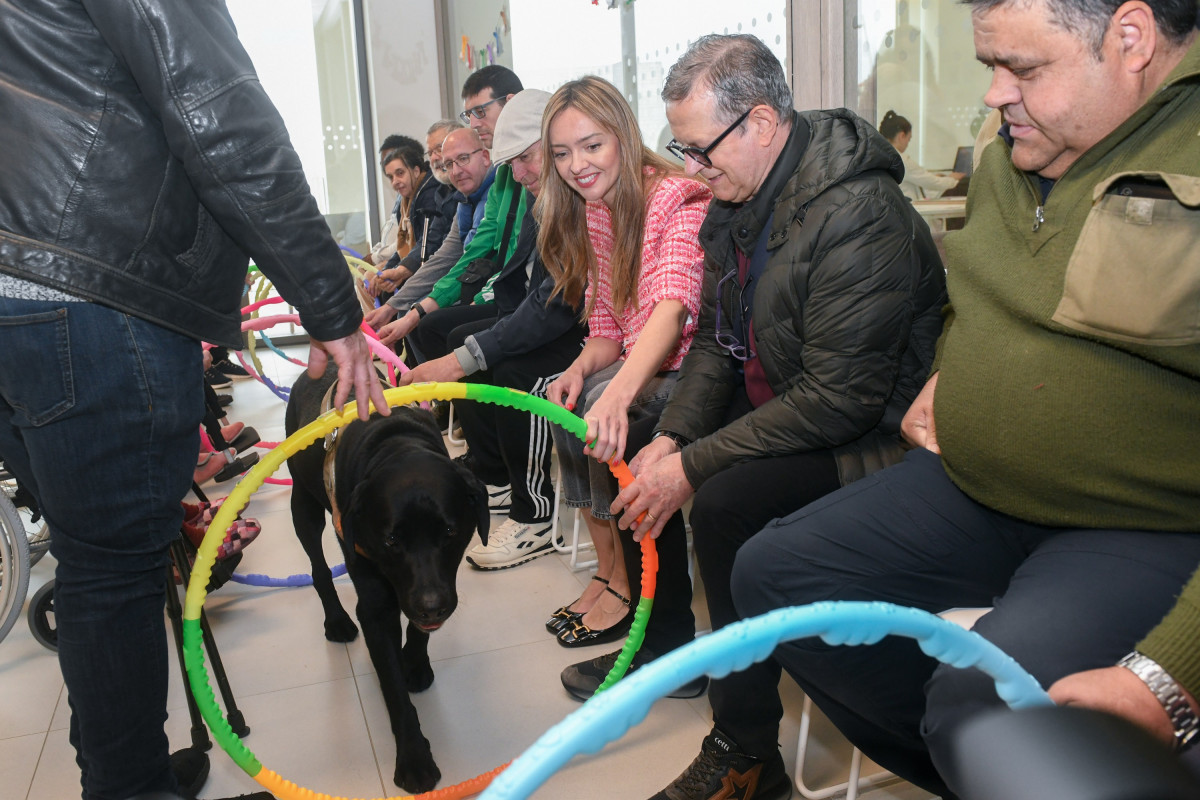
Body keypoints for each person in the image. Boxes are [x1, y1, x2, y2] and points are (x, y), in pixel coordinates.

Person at [729, 1, 1200, 798]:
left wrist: (1171, 679)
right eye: (991, 66)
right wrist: (958, 367)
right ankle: (976, 773)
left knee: (981, 707)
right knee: (775, 577)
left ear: (1130, 39)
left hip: (1138, 523)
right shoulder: (1014, 146)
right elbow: (975, 296)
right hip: (973, 487)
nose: (994, 95)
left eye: (1022, 68)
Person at [0, 2, 387, 799]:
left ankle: (123, 773)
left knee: (95, 564)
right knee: (115, 573)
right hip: (92, 288)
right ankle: (129, 788)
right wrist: (330, 307)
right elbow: (220, 120)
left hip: (23, 294)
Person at [594, 33, 948, 800]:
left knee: (721, 504)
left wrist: (695, 465)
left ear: (758, 122)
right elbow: (719, 347)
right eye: (680, 148)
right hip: (795, 405)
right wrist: (677, 439)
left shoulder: (860, 215)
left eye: (699, 148)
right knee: (656, 449)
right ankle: (686, 660)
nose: (691, 167)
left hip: (873, 437)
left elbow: (841, 400)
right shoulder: (742, 196)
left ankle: (747, 747)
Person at [539, 76, 712, 652]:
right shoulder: (598, 210)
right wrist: (580, 369)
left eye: (592, 145)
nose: (577, 165)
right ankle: (610, 572)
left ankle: (640, 602)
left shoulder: (674, 195)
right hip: (643, 361)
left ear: (623, 135)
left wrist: (614, 394)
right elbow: (609, 330)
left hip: (687, 365)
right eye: (561, 153)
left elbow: (672, 307)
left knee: (605, 417)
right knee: (566, 401)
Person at [399, 90, 587, 568]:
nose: (520, 173)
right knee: (481, 353)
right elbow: (517, 287)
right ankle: (499, 477)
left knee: (509, 374)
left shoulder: (570, 199)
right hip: (566, 320)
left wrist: (464, 355)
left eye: (526, 158)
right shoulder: (544, 198)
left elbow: (552, 308)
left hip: (588, 333)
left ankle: (535, 515)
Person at [373, 65, 528, 351]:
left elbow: (514, 262)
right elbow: (462, 254)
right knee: (425, 323)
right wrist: (410, 308)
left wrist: (414, 306)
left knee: (447, 332)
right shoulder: (487, 187)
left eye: (480, 112)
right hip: (500, 292)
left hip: (521, 296)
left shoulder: (503, 180)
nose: (474, 122)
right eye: (445, 162)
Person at [363, 127, 497, 338]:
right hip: (468, 280)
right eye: (449, 163)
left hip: (488, 287)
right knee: (414, 316)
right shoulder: (460, 197)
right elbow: (445, 255)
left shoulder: (494, 191)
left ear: (485, 156)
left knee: (426, 323)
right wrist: (394, 305)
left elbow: (469, 258)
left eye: (462, 158)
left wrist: (415, 308)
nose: (456, 170)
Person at [368, 140, 456, 296]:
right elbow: (404, 248)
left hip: (435, 269)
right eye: (390, 177)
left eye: (400, 173)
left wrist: (398, 271)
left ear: (416, 171)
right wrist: (390, 269)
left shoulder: (428, 195)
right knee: (376, 281)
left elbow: (428, 244)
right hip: (417, 264)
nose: (395, 182)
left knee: (381, 287)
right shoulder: (407, 199)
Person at [879, 110, 965, 200]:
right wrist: (953, 179)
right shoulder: (900, 160)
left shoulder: (883, 156)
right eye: (909, 139)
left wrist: (934, 177)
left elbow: (918, 178)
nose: (907, 144)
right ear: (902, 136)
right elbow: (933, 183)